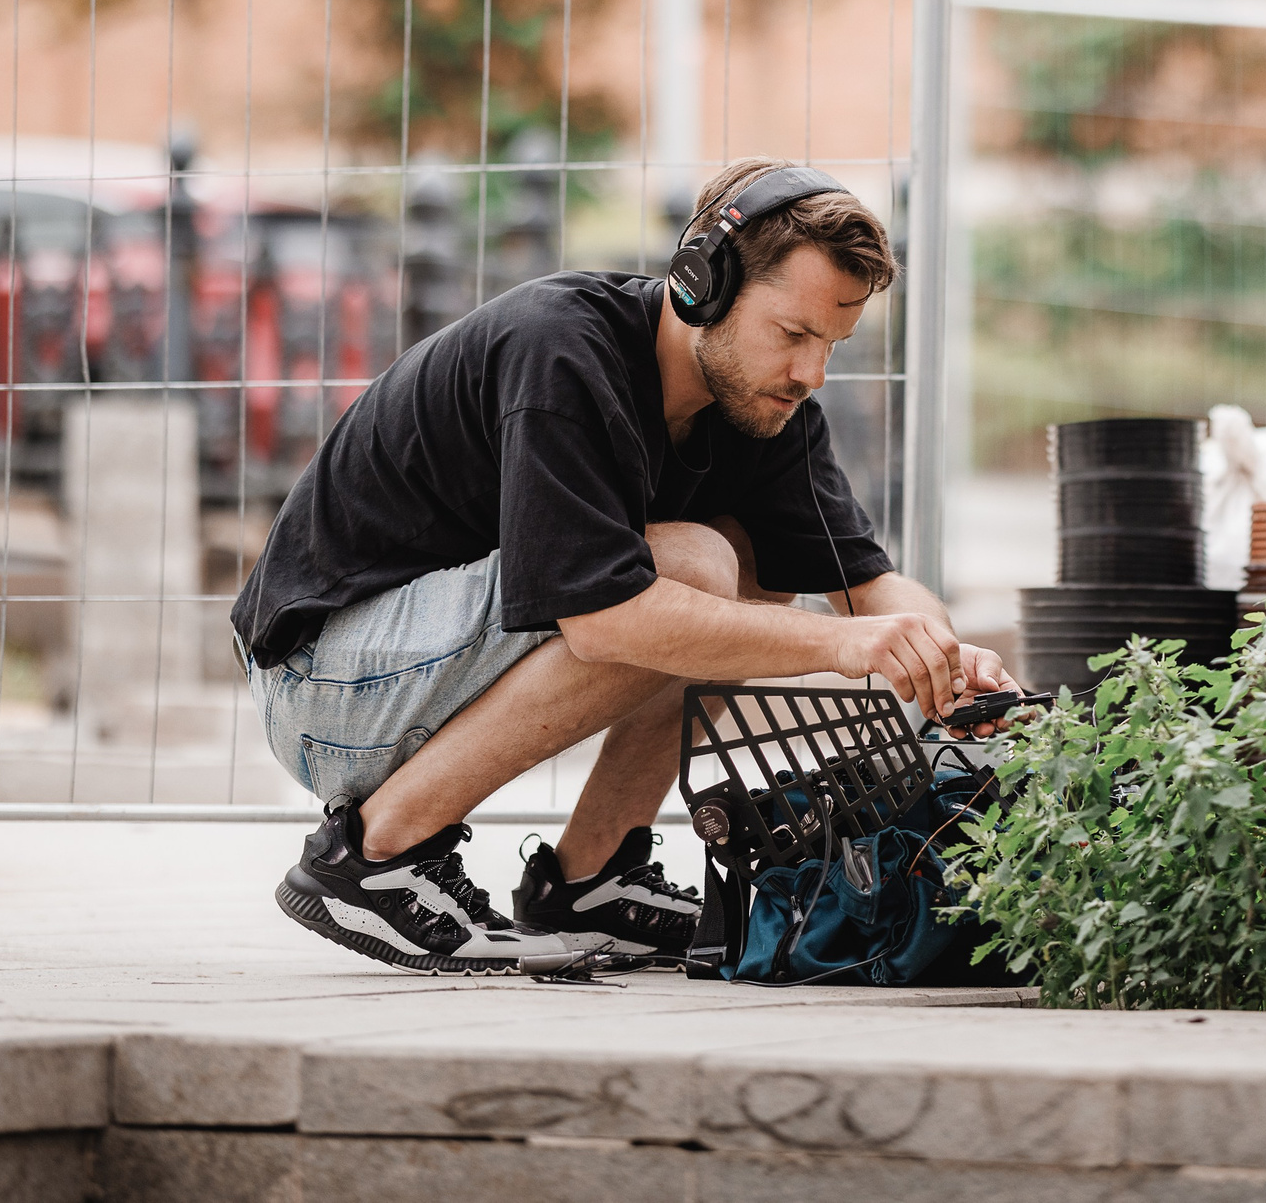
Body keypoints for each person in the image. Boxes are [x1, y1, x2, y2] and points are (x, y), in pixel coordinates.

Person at [231, 158, 1014, 973]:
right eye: (792, 334)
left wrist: (944, 658)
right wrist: (843, 647)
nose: (810, 374)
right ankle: (372, 858)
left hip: (405, 671)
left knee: (753, 569)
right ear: (699, 283)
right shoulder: (562, 350)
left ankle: (591, 878)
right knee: (696, 568)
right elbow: (603, 620)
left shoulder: (766, 413)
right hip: (323, 689)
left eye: (831, 345)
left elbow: (867, 586)